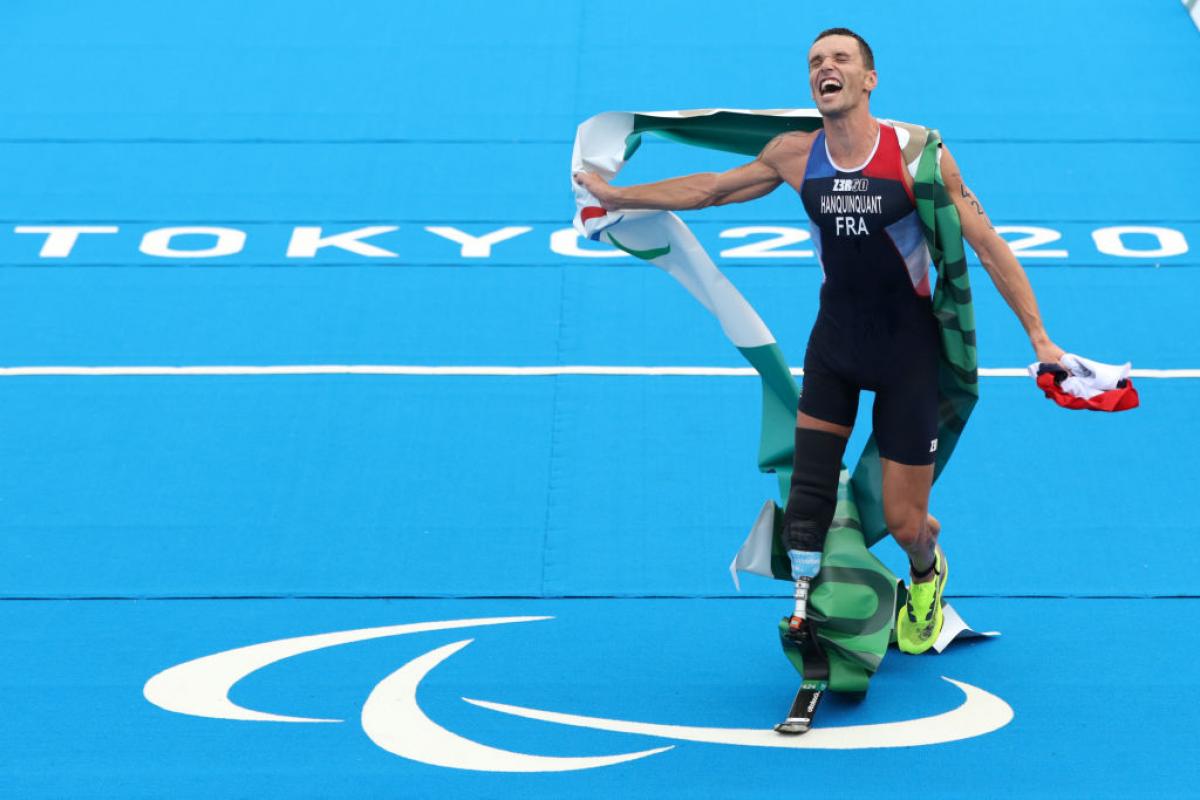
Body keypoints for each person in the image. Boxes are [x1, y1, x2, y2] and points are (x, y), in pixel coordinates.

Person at [574, 27, 1064, 654]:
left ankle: (925, 573)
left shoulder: (918, 156)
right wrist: (618, 194)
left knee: (907, 521)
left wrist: (1041, 339)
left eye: (840, 60)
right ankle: (808, 616)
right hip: (834, 345)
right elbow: (710, 189)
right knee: (806, 503)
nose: (825, 69)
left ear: (868, 80)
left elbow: (989, 248)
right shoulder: (794, 154)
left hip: (908, 356)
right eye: (815, 62)